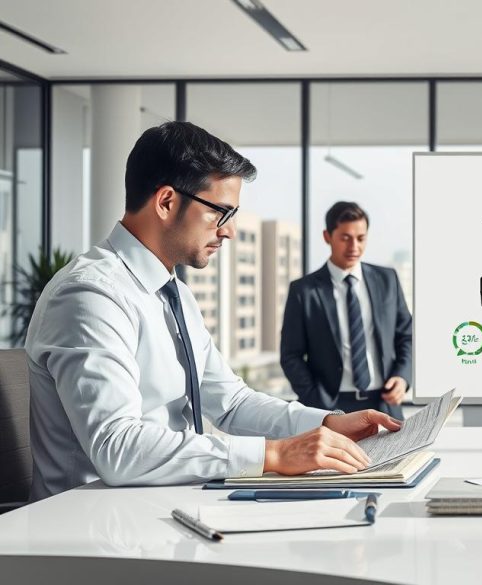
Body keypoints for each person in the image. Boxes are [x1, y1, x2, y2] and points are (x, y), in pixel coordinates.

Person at [25, 122, 400, 501]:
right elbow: (117, 448)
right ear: (166, 202)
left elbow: (232, 403)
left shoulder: (175, 295)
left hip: (165, 503)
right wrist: (273, 454)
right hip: (94, 520)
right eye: (221, 212)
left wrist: (328, 422)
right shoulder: (91, 294)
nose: (229, 231)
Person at [280, 202, 412, 419]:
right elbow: (290, 355)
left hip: (384, 403)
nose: (354, 247)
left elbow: (407, 335)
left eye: (361, 238)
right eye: (345, 238)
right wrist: (315, 399)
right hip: (330, 408)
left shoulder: (387, 280)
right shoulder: (304, 291)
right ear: (327, 236)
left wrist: (402, 377)